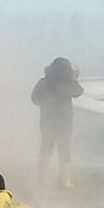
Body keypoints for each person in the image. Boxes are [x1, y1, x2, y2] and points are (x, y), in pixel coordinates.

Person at [31, 57, 84, 188]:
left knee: (45, 150)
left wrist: (46, 102)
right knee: (64, 151)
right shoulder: (67, 82)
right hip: (64, 123)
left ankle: (41, 179)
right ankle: (63, 181)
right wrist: (73, 78)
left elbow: (34, 99)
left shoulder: (44, 82)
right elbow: (79, 91)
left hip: (47, 122)